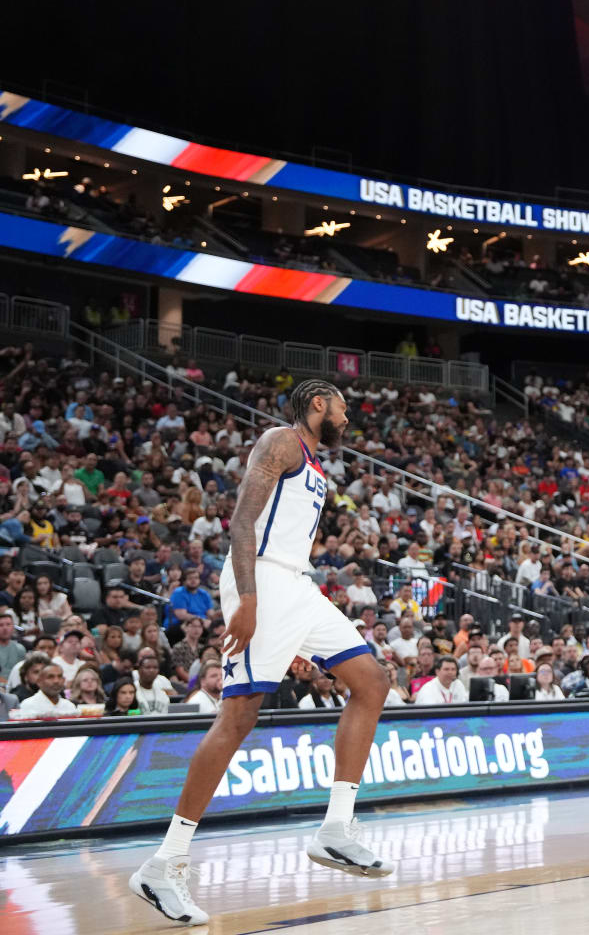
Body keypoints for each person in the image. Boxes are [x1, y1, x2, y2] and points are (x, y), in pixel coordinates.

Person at [131, 381, 396, 926]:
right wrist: (248, 600)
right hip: (264, 583)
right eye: (344, 408)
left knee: (372, 682)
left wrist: (294, 636)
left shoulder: (318, 466)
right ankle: (165, 864)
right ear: (319, 404)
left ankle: (337, 830)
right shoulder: (281, 441)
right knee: (238, 717)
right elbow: (242, 523)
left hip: (296, 587)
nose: (348, 418)